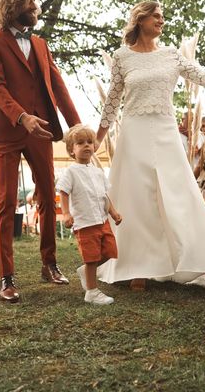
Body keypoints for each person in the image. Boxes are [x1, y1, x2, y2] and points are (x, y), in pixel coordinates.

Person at [95, 0, 205, 290]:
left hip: (165, 130)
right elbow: (113, 101)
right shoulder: (122, 56)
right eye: (157, 17)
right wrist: (95, 140)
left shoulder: (172, 55)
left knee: (182, 194)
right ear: (140, 20)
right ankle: (137, 267)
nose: (162, 21)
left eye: (163, 17)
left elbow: (204, 77)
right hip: (134, 132)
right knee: (137, 198)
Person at [0, 0, 81, 303]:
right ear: (14, 5)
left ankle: (49, 264)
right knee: (6, 201)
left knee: (47, 195)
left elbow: (58, 84)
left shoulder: (40, 44)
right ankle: (6, 278)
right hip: (10, 130)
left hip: (42, 130)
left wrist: (76, 125)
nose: (36, 7)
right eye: (31, 1)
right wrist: (21, 116)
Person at [57, 124, 121, 305]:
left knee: (110, 252)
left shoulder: (98, 172)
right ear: (72, 149)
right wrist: (66, 213)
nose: (86, 146)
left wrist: (114, 213)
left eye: (89, 142)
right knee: (92, 257)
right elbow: (63, 192)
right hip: (84, 222)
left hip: (102, 220)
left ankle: (85, 271)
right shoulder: (70, 172)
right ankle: (91, 292)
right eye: (80, 143)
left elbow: (104, 195)